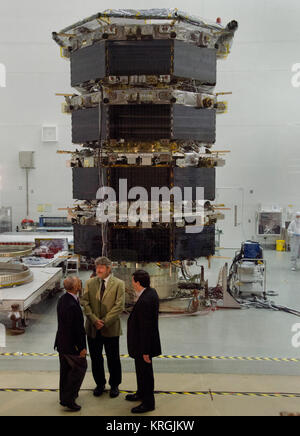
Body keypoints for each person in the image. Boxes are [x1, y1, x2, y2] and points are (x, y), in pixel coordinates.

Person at [82, 257, 125, 398]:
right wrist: (94, 320)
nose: (98, 270)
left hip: (110, 328)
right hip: (93, 329)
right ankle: (100, 384)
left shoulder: (119, 284)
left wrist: (105, 321)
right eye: (97, 267)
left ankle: (114, 385)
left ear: (109, 268)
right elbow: (85, 302)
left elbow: (119, 306)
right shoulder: (89, 283)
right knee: (96, 359)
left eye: (101, 267)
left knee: (113, 359)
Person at [126, 270, 162, 414]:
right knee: (141, 372)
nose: (132, 284)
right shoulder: (150, 292)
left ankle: (148, 403)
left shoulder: (146, 301)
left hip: (143, 346)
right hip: (141, 344)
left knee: (145, 374)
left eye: (133, 281)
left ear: (138, 283)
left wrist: (146, 351)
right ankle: (141, 393)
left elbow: (146, 328)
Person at [54, 276, 87, 412]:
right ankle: (69, 400)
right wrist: (81, 348)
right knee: (79, 369)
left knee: (65, 371)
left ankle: (64, 397)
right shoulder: (72, 305)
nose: (81, 283)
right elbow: (76, 330)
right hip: (71, 346)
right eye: (79, 283)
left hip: (62, 343)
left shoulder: (63, 299)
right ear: (75, 287)